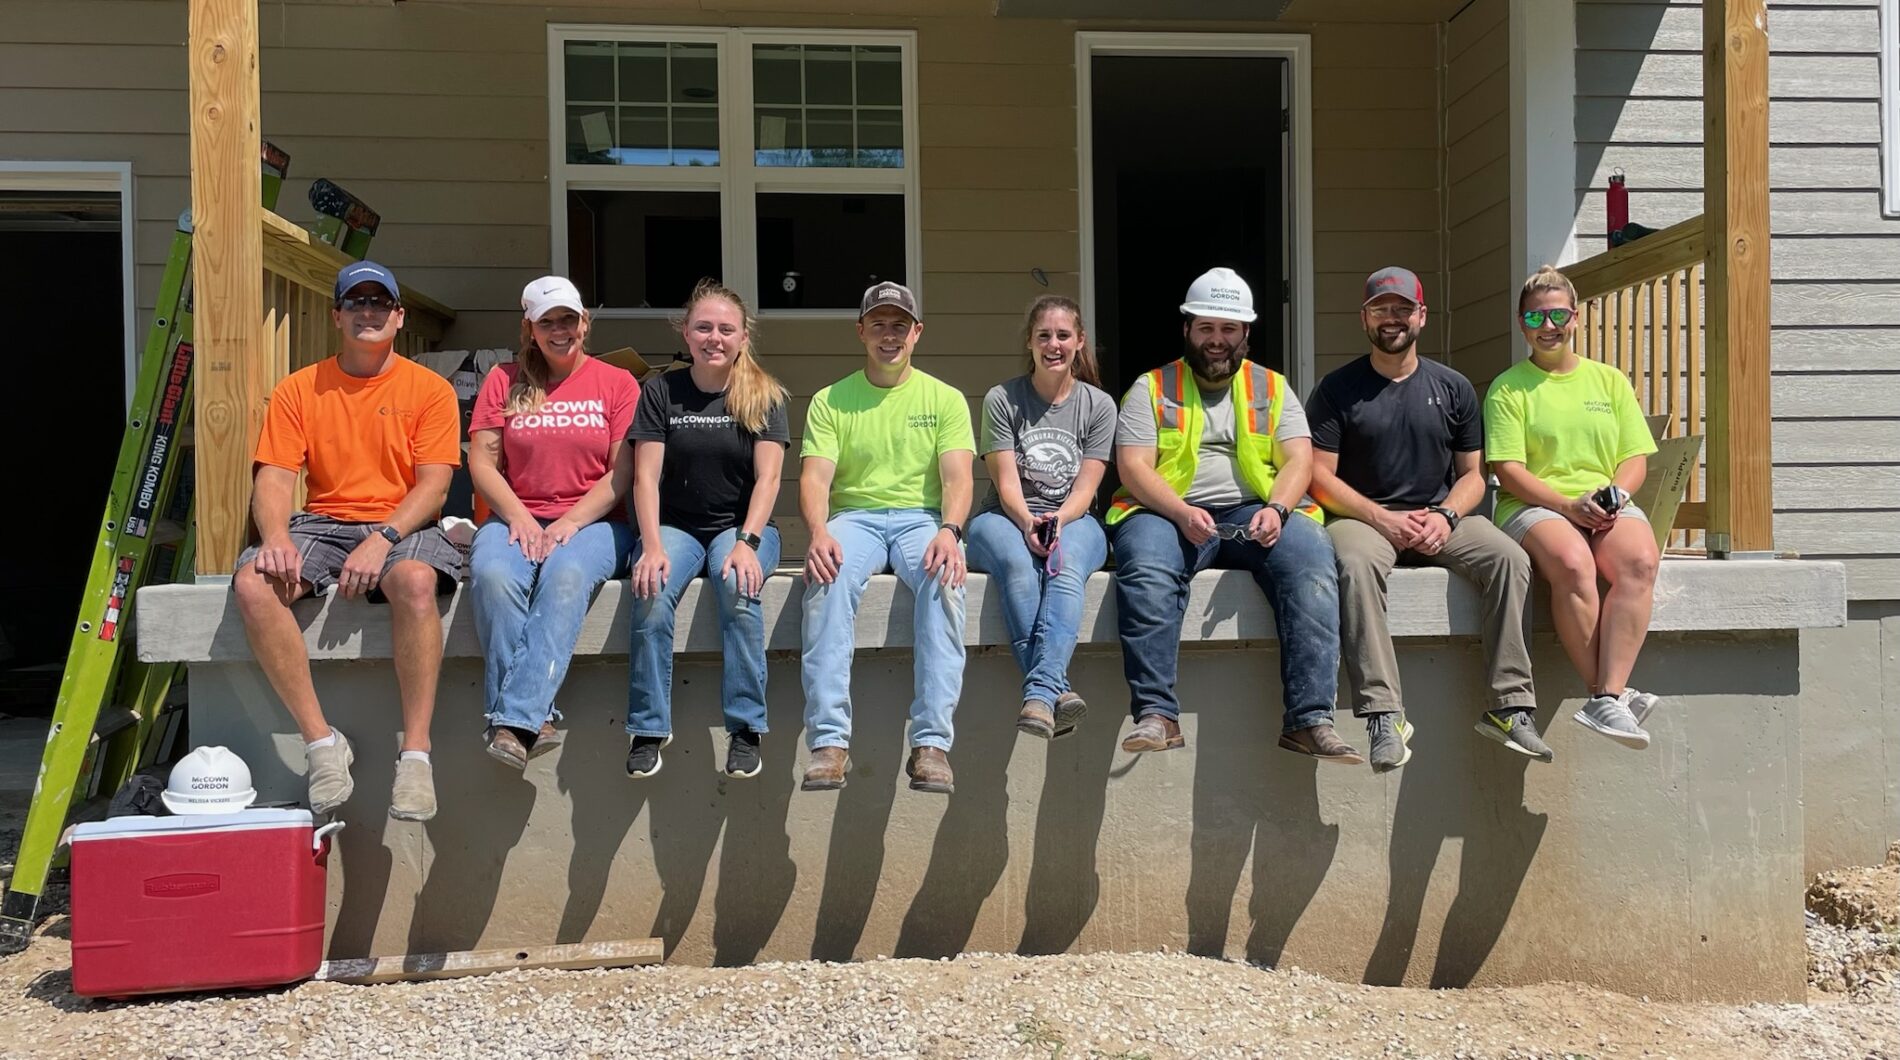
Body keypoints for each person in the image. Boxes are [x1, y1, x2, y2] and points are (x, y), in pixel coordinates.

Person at [231, 260, 466, 820]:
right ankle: (321, 744)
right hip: (323, 521)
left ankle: (415, 755)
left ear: (398, 315)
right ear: (337, 316)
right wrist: (276, 536)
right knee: (253, 584)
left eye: (379, 302)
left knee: (413, 581)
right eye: (356, 303)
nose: (368, 312)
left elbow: (434, 488)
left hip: (402, 522)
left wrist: (383, 538)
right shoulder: (298, 388)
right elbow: (275, 477)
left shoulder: (429, 389)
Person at [1107, 267, 1357, 762]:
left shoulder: (1272, 386)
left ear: (1246, 333)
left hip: (1258, 511)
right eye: (1206, 328)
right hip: (1166, 510)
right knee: (1148, 569)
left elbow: (1300, 460)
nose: (1216, 341)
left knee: (1311, 563)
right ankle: (1157, 716)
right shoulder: (1150, 387)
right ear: (1187, 329)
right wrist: (1179, 512)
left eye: (1228, 329)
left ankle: (1310, 721)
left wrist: (1280, 510)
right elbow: (1133, 466)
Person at [1307, 267, 1541, 768]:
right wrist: (1382, 518)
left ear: (1422, 315)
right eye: (1380, 309)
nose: (1391, 319)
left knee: (1509, 557)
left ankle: (1509, 706)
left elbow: (1474, 475)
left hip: (1440, 516)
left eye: (1401, 308)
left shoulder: (1453, 387)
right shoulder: (1336, 390)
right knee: (1353, 564)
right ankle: (1383, 715)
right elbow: (1319, 479)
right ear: (1364, 318)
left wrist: (1447, 514)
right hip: (1365, 518)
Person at [798, 281, 975, 794]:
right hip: (854, 517)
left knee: (945, 579)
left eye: (900, 324)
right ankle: (829, 743)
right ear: (861, 331)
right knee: (826, 580)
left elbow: (958, 479)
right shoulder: (832, 400)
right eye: (879, 324)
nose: (889, 335)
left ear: (917, 332)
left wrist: (949, 530)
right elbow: (815, 479)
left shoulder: (944, 398)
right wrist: (817, 532)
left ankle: (932, 745)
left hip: (923, 518)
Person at [1484, 265, 1661, 749]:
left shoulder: (1608, 381)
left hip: (1602, 502)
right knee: (1573, 562)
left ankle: (1607, 697)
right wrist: (1567, 505)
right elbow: (1507, 469)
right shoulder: (1508, 387)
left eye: (1557, 315)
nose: (1548, 327)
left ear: (1576, 318)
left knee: (1641, 560)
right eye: (1536, 318)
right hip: (1533, 504)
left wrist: (1615, 497)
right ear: (1522, 324)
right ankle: (1611, 697)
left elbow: (1633, 458)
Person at [466, 276, 638, 770]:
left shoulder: (616, 383)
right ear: (530, 328)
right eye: (548, 322)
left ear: (585, 322)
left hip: (595, 519)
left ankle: (512, 719)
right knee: (496, 576)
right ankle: (532, 721)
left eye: (568, 319)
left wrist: (569, 522)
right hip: (516, 514)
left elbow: (620, 473)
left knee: (564, 576)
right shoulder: (504, 379)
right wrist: (519, 515)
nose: (560, 330)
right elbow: (482, 462)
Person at [625, 280, 790, 779]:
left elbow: (770, 477)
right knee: (650, 593)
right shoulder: (660, 391)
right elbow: (645, 476)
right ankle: (649, 727)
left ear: (743, 337)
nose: (713, 337)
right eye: (703, 327)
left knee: (738, 585)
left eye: (725, 329)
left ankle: (745, 728)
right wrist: (651, 546)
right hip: (674, 526)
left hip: (741, 526)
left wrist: (747, 543)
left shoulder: (764, 393)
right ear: (685, 332)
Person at [966, 296, 1116, 739]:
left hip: (1075, 517)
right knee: (1018, 567)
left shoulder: (1099, 406)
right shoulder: (1002, 399)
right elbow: (1006, 481)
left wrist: (1057, 521)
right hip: (1003, 516)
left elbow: (1087, 489)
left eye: (1063, 335)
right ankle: (1055, 690)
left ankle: (1039, 696)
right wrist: (1028, 522)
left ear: (1080, 342)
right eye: (1044, 336)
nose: (1054, 345)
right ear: (1030, 342)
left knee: (1066, 569)